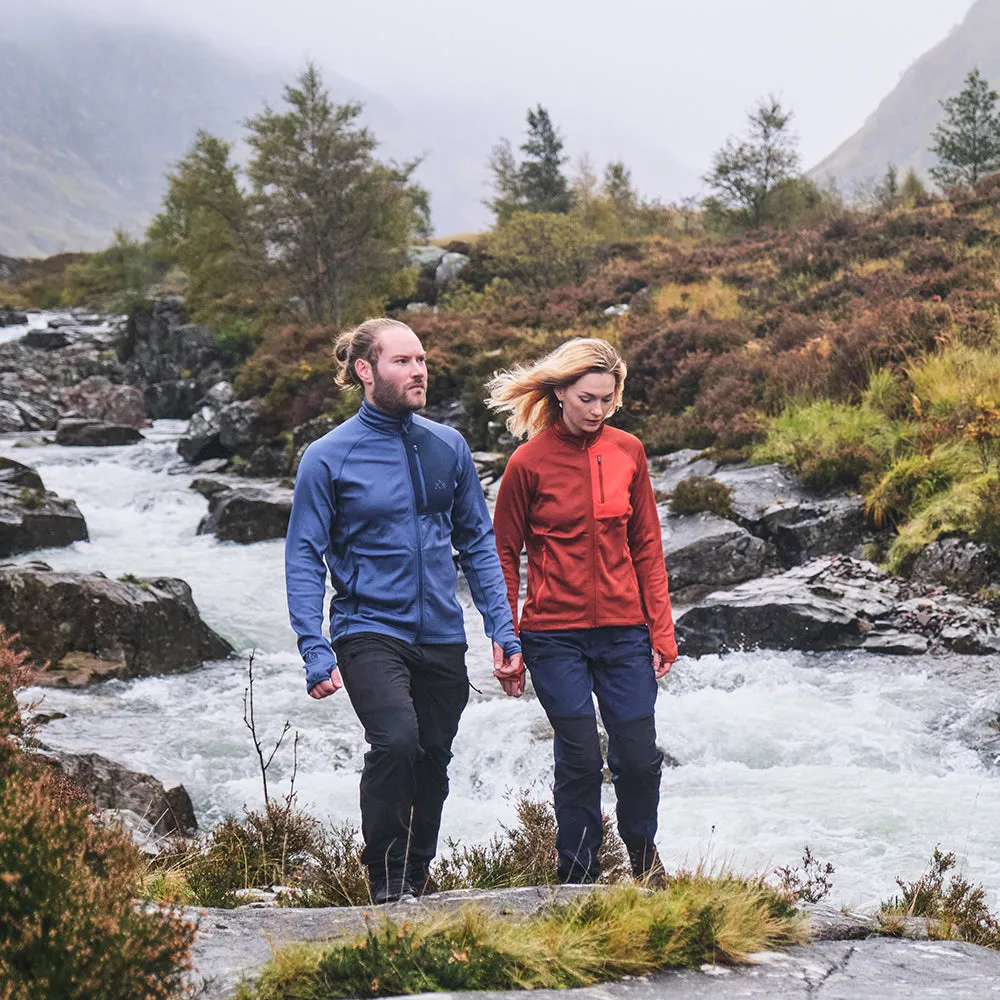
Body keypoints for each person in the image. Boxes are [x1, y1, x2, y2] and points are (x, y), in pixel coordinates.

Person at [285, 317, 522, 904]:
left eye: (421, 360)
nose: (418, 371)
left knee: (434, 758)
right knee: (395, 742)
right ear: (365, 370)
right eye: (402, 361)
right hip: (368, 628)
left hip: (441, 630)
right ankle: (386, 881)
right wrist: (313, 647)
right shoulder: (327, 457)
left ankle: (417, 875)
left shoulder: (448, 446)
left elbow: (478, 542)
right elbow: (304, 555)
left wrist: (502, 628)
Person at [488, 338, 677, 885]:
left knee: (638, 759)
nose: (597, 410)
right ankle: (578, 880)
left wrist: (661, 631)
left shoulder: (628, 452)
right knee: (577, 759)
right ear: (560, 392)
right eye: (587, 398)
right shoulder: (527, 463)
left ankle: (643, 858)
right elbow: (503, 551)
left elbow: (646, 545)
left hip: (624, 633)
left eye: (607, 399)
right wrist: (507, 640)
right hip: (553, 635)